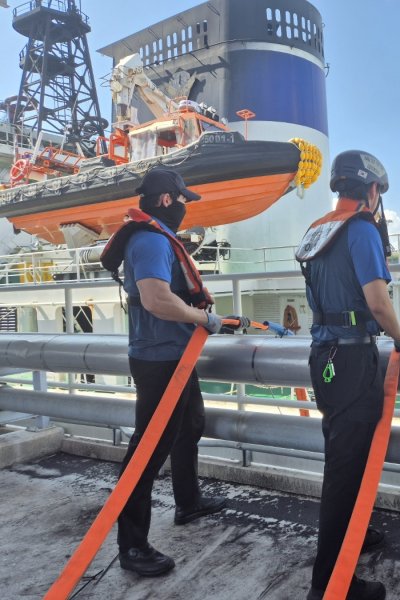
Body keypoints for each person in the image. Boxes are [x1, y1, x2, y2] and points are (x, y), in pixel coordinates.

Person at [107, 168, 247, 577]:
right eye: (182, 199)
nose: (185, 207)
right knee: (147, 452)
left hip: (175, 354)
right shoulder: (150, 239)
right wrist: (204, 319)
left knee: (190, 424)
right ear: (167, 199)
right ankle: (132, 547)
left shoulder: (151, 236)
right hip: (160, 359)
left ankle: (188, 502)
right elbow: (155, 299)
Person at [295, 150, 400, 600]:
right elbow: (378, 304)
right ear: (371, 190)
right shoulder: (361, 230)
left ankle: (356, 535)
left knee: (344, 458)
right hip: (351, 360)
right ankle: (331, 586)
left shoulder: (318, 230)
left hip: (323, 355)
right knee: (345, 471)